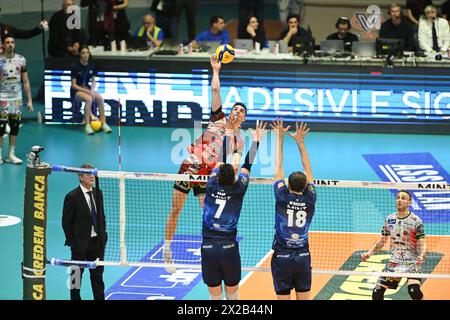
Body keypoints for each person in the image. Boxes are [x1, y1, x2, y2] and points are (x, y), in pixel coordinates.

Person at [163, 55, 247, 273]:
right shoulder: (217, 118)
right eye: (235, 109)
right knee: (176, 209)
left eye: (241, 111)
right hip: (190, 167)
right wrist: (216, 71)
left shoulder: (239, 139)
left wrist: (235, 165)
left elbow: (236, 162)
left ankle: (209, 249)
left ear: (244, 119)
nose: (237, 112)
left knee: (209, 215)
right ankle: (167, 249)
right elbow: (216, 91)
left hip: (209, 176)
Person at [201, 120, 266, 300]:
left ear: (218, 175)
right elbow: (247, 165)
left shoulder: (211, 184)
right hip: (229, 248)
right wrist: (256, 140)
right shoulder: (239, 189)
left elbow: (220, 161)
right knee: (233, 295)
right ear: (234, 179)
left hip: (208, 248)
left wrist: (228, 135)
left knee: (215, 297)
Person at [270, 118, 316, 300]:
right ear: (306, 186)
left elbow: (278, 167)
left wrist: (279, 138)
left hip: (282, 257)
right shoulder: (310, 198)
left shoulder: (282, 196)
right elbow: (308, 169)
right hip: (303, 257)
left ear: (288, 185)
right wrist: (300, 142)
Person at [360, 190, 427, 300]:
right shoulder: (389, 219)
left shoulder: (416, 221)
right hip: (395, 262)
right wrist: (369, 253)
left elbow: (423, 243)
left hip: (412, 262)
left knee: (414, 291)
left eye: (403, 198)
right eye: (398, 197)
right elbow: (382, 241)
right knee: (377, 292)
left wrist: (421, 255)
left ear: (409, 202)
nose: (400, 200)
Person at [62, 163, 108, 300]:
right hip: (80, 244)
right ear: (80, 177)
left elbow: (101, 217)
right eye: (88, 174)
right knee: (76, 276)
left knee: (97, 277)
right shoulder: (72, 196)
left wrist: (103, 237)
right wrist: (73, 242)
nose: (91, 176)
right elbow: (66, 222)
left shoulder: (98, 193)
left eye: (92, 173)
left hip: (97, 243)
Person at [0, 35, 33, 165]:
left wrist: (29, 100)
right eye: (7, 42)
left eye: (12, 42)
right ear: (3, 45)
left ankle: (10, 155)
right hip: (2, 98)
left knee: (14, 127)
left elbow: (25, 81)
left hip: (17, 100)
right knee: (1, 128)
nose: (10, 44)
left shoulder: (21, 60)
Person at [70, 46, 112, 135]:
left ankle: (103, 123)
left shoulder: (92, 65)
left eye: (87, 53)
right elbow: (73, 85)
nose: (86, 55)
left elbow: (93, 80)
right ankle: (87, 125)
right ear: (80, 55)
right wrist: (87, 92)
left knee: (100, 98)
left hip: (88, 89)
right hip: (76, 91)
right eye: (83, 53)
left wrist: (92, 89)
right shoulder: (75, 66)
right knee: (88, 99)